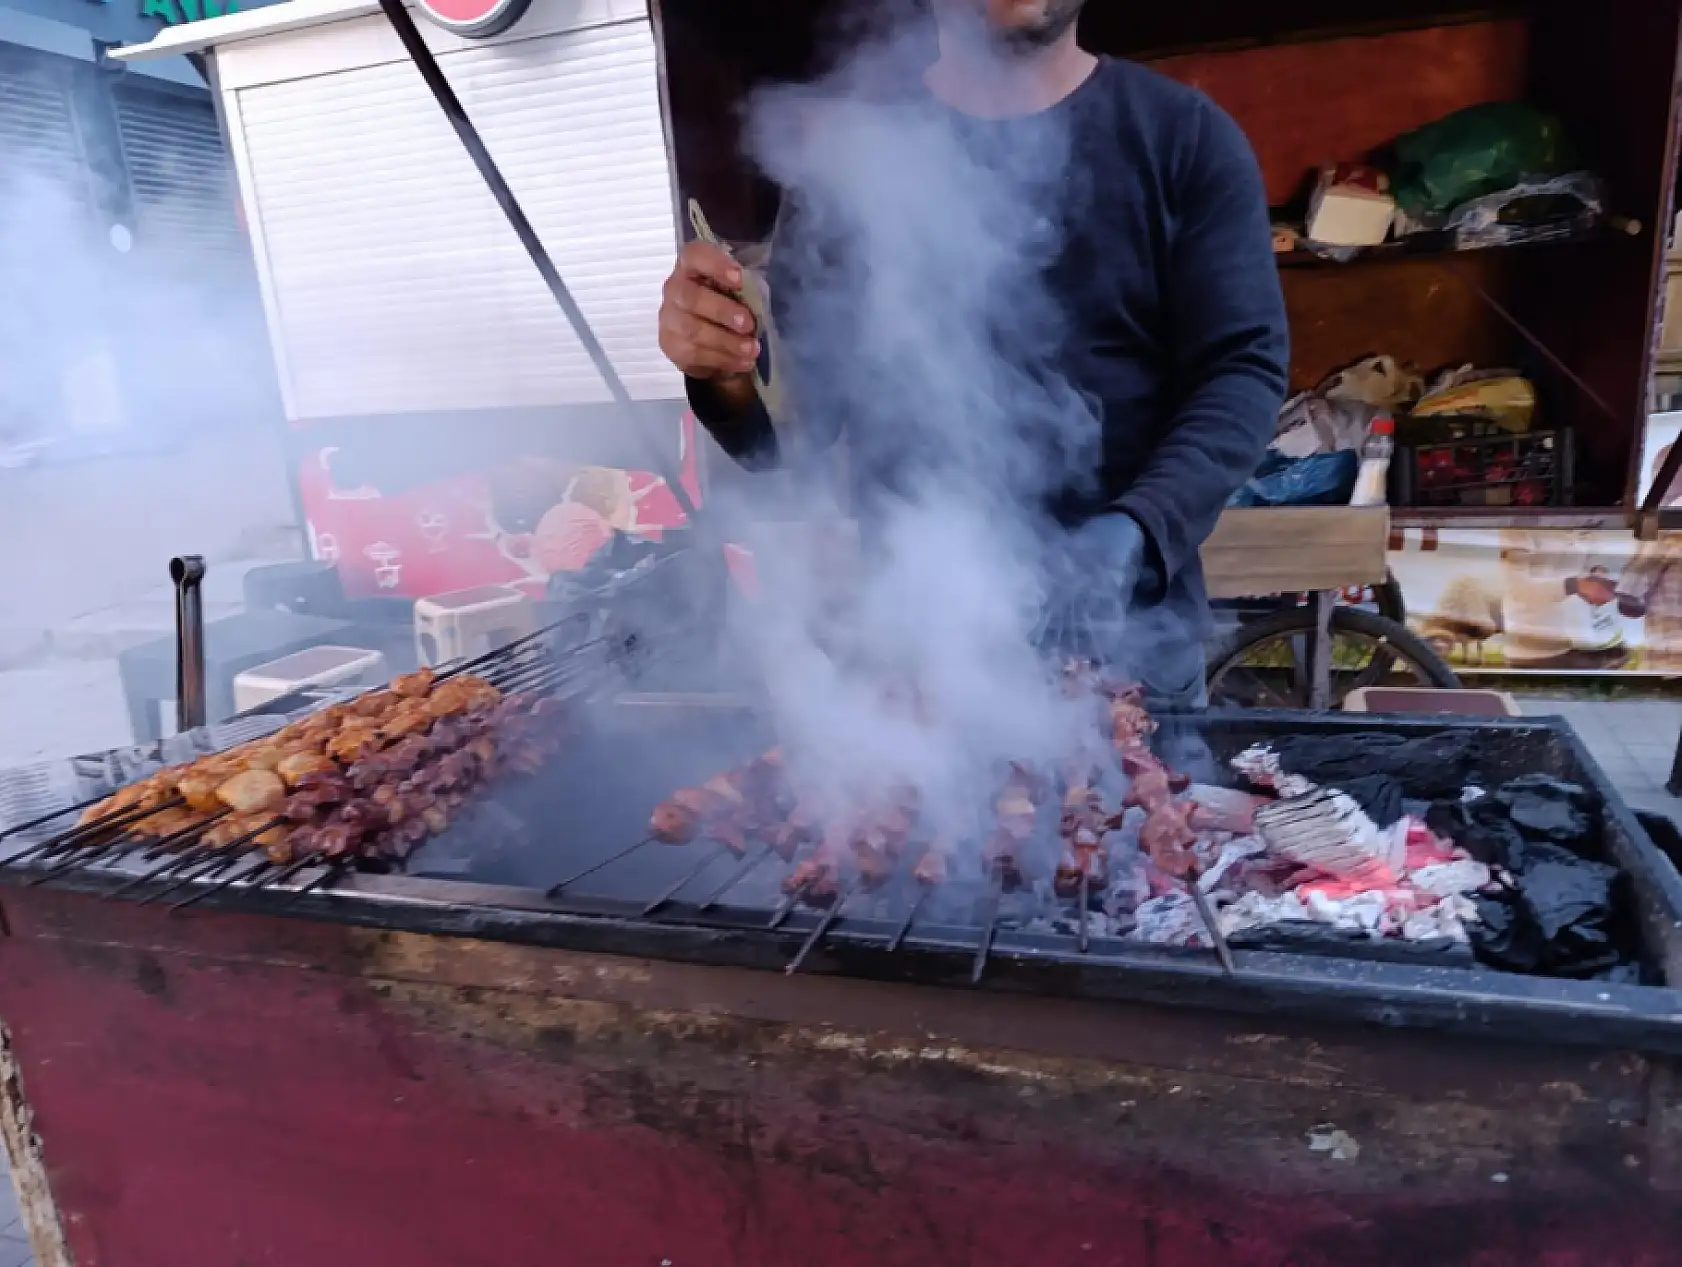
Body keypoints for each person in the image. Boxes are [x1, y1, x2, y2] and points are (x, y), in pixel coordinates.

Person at [656, 0, 1288, 708]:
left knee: (1136, 783)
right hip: (920, 651)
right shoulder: (851, 160)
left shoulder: (1185, 138)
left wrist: (1139, 529)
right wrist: (726, 372)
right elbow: (795, 433)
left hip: (1132, 646)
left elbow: (1241, 371)